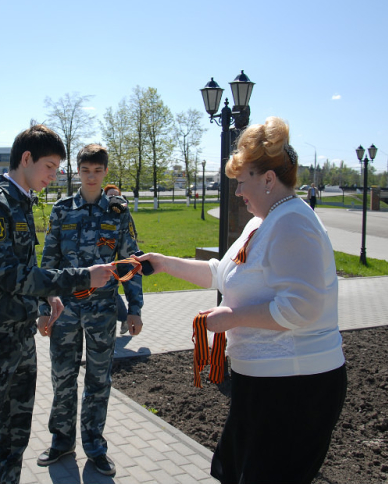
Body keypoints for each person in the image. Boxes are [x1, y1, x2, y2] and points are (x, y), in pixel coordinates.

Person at [138, 117, 347, 484]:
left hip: (295, 388)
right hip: (262, 384)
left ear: (268, 179)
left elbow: (301, 308)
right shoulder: (262, 221)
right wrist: (164, 263)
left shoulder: (293, 223)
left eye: (241, 181)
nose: (237, 192)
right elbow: (222, 273)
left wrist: (232, 317)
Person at [0, 123, 113, 484]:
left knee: (16, 436)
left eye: (57, 168)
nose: (54, 175)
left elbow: (26, 269)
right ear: (26, 159)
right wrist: (83, 277)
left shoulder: (22, 202)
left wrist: (46, 294)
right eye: (49, 166)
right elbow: (11, 277)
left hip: (21, 337)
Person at [36, 145, 144, 477]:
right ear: (77, 172)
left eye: (97, 171)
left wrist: (134, 308)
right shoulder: (62, 210)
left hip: (102, 310)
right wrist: (42, 308)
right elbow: (48, 263)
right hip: (65, 310)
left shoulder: (118, 212)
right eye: (86, 171)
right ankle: (61, 441)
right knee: (63, 378)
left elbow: (130, 262)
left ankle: (95, 446)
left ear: (105, 172)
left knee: (99, 380)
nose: (92, 177)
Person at [104, 183, 130, 335]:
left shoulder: (123, 213)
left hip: (114, 264)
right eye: (110, 195)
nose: (113, 197)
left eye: (116, 195)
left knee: (112, 292)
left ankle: (124, 317)